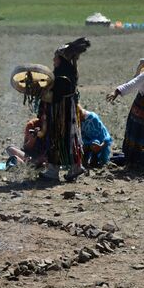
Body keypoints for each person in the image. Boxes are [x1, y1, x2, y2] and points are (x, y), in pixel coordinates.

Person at [40, 38, 90, 182]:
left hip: (61, 113)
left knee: (58, 137)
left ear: (62, 59)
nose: (53, 60)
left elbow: (55, 97)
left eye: (55, 57)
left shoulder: (62, 77)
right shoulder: (68, 73)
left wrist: (41, 93)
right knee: (69, 137)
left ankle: (54, 170)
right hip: (68, 111)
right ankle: (74, 166)